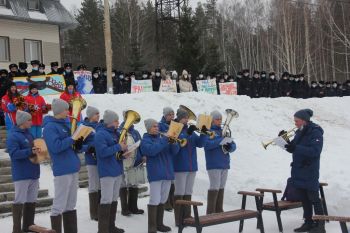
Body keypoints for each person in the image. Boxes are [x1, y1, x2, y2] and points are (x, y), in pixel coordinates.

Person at [279, 109, 325, 233]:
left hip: (309, 170)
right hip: (298, 171)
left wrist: (296, 147)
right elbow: (292, 148)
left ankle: (320, 225)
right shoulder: (300, 132)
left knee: (314, 199)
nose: (295, 123)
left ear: (304, 121)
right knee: (304, 199)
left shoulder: (315, 132)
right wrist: (285, 141)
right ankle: (308, 222)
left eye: (297, 121)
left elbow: (315, 151)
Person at [43, 99, 83, 233]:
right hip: (62, 169)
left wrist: (78, 143)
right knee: (59, 204)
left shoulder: (67, 123)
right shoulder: (50, 127)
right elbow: (55, 147)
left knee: (71, 204)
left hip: (73, 167)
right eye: (66, 109)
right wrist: (71, 139)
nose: (69, 112)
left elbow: (70, 146)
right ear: (59, 111)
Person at [140, 119, 180, 233]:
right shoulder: (145, 141)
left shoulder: (162, 139)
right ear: (148, 128)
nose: (157, 128)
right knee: (155, 199)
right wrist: (165, 140)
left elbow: (175, 152)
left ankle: (160, 224)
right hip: (156, 173)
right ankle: (152, 227)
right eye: (154, 126)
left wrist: (174, 142)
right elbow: (152, 151)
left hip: (167, 173)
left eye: (157, 126)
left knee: (162, 199)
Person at [6, 111, 40, 233]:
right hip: (21, 174)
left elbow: (33, 151)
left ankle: (28, 225)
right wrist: (30, 151)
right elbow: (13, 154)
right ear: (22, 122)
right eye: (29, 120)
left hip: (33, 172)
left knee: (32, 200)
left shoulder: (29, 134)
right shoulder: (13, 136)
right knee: (19, 200)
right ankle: (16, 229)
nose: (32, 122)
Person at [94, 110, 127, 233]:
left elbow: (116, 153)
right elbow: (102, 152)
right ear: (110, 122)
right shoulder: (100, 134)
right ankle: (103, 229)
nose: (118, 123)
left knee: (113, 199)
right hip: (107, 171)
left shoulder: (116, 133)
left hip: (117, 170)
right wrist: (119, 147)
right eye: (116, 120)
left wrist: (124, 154)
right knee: (106, 199)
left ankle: (111, 226)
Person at [173, 108, 207, 226]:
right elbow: (177, 144)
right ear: (179, 118)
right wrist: (187, 134)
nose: (186, 120)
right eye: (184, 117)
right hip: (180, 166)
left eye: (187, 118)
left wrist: (203, 133)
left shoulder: (190, 130)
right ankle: (178, 218)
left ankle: (187, 216)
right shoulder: (175, 128)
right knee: (179, 192)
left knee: (188, 191)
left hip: (192, 166)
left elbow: (200, 144)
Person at [204, 110, 237, 214]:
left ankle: (218, 209)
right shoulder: (208, 132)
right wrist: (220, 140)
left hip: (224, 163)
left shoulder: (224, 131)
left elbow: (233, 145)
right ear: (212, 121)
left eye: (220, 119)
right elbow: (207, 145)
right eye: (217, 119)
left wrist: (230, 146)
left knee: (221, 186)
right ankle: (210, 211)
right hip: (213, 163)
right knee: (214, 186)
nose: (220, 121)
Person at [118, 112, 145, 216]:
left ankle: (133, 207)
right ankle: (125, 209)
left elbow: (140, 145)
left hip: (135, 161)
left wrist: (143, 155)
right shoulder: (120, 131)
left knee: (134, 183)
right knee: (124, 184)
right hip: (124, 161)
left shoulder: (136, 132)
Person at [82, 106, 101, 221]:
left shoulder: (100, 127)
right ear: (90, 116)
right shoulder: (84, 127)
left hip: (102, 160)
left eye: (99, 113)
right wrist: (89, 148)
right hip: (91, 160)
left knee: (100, 185)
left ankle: (101, 210)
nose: (98, 115)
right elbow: (77, 145)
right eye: (96, 113)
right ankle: (94, 212)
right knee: (94, 184)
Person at [158, 107, 175, 211]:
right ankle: (165, 202)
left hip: (173, 154)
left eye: (173, 114)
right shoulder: (160, 125)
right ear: (165, 115)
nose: (172, 116)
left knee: (172, 181)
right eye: (169, 114)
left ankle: (172, 202)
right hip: (165, 155)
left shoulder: (175, 124)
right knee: (166, 179)